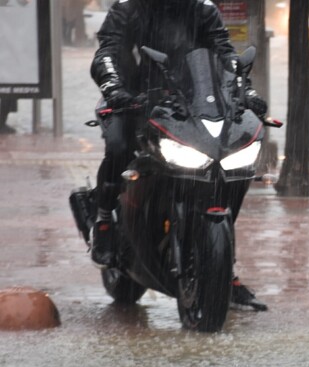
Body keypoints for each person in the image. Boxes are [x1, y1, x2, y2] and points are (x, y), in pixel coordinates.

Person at [89, 0, 270, 311]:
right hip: (135, 100)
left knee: (228, 163)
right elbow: (106, 54)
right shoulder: (127, 9)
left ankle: (223, 266)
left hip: (192, 105)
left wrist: (245, 91)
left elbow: (225, 55)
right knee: (119, 147)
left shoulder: (203, 9)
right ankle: (104, 220)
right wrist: (114, 88)